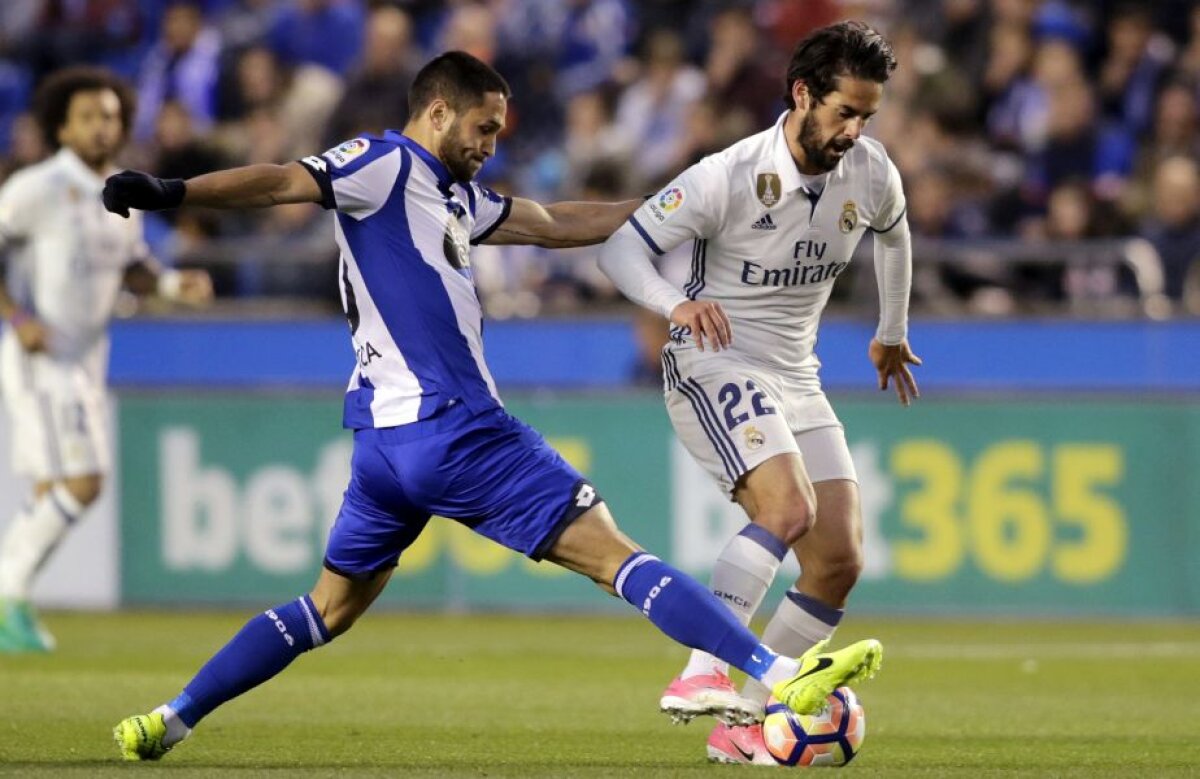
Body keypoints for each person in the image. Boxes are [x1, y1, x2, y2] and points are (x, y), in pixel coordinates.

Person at [101, 51, 883, 762]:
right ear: (437, 112)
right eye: (482, 128)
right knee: (618, 557)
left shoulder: (452, 197)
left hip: (384, 447)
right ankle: (778, 675)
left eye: (500, 132)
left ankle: (170, 717)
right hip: (456, 428)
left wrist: (674, 206)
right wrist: (171, 192)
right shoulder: (382, 163)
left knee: (326, 609)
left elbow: (548, 224)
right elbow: (280, 180)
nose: (491, 145)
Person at [597, 21, 919, 765]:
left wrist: (890, 329)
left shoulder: (870, 172)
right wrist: (674, 304)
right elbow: (624, 247)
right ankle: (703, 668)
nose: (854, 130)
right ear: (802, 93)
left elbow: (895, 235)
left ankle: (747, 719)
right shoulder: (729, 174)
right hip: (714, 360)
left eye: (867, 115)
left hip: (795, 373)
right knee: (789, 507)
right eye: (844, 111)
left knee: (838, 559)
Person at [0, 67, 213, 653]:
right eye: (88, 117)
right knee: (84, 481)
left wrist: (171, 285)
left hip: (88, 357)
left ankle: (10, 601)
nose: (102, 127)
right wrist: (18, 319)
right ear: (61, 126)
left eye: (111, 116)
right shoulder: (36, 188)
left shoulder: (122, 195)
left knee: (53, 488)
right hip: (42, 358)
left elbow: (133, 263)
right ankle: (8, 592)